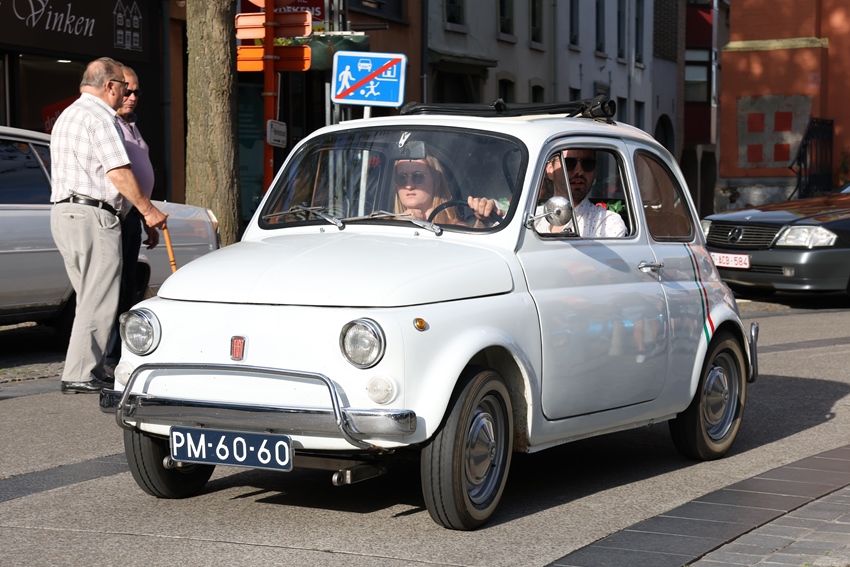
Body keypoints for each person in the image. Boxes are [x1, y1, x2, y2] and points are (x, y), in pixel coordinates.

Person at [50, 57, 167, 394]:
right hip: (93, 214)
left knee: (90, 295)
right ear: (110, 86)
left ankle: (86, 368)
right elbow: (117, 171)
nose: (126, 94)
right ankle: (80, 373)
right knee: (100, 295)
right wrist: (148, 210)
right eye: (124, 87)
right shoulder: (100, 117)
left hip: (66, 213)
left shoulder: (69, 114)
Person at [104, 66, 159, 374]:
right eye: (127, 91)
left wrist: (145, 214)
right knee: (116, 286)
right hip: (117, 214)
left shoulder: (131, 125)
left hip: (134, 214)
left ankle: (121, 351)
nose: (133, 97)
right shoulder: (110, 125)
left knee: (127, 287)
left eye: (137, 91)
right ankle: (109, 356)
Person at [467, 149, 627, 238]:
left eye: (587, 164)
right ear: (550, 170)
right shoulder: (530, 217)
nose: (579, 171)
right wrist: (482, 221)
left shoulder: (608, 223)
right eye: (569, 163)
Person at [393, 153, 463, 225]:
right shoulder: (387, 227)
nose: (409, 186)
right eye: (401, 178)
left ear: (436, 181)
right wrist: (399, 224)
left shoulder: (457, 229)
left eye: (418, 177)